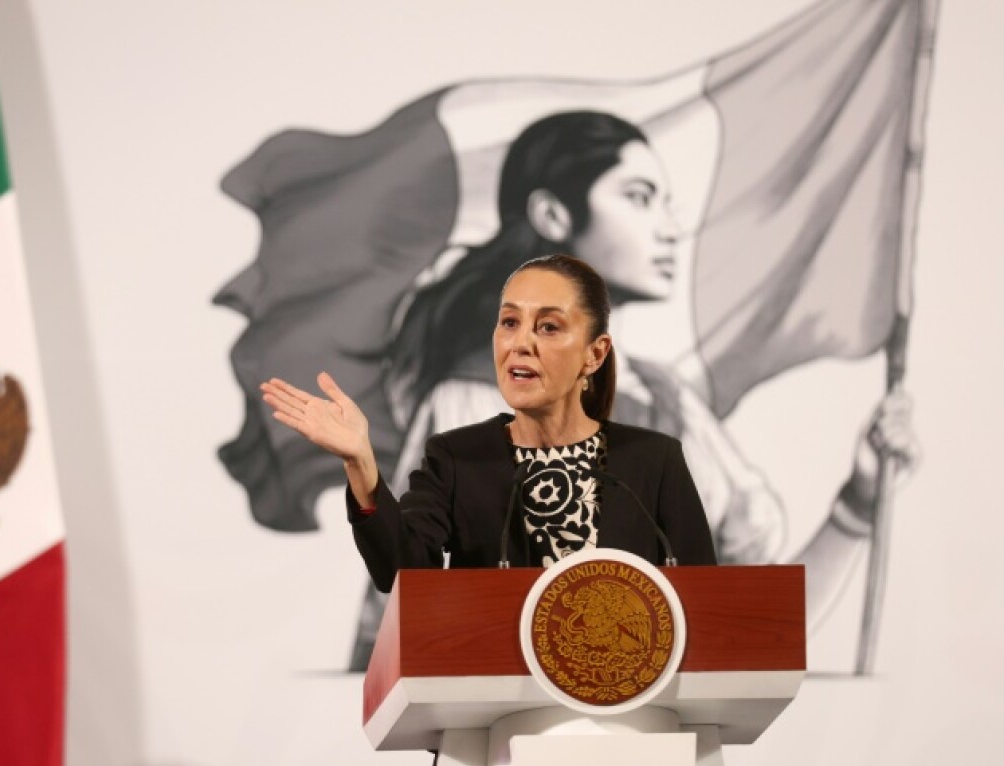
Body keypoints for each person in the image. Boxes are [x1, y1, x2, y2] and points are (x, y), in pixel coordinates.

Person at [338, 110, 918, 667]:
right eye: (639, 197)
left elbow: (751, 631)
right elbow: (405, 630)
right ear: (554, 215)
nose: (669, 228)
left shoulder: (670, 404)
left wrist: (859, 503)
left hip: (660, 729)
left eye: (666, 203)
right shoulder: (471, 405)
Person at [261, 254, 718, 590]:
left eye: (548, 327)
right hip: (498, 694)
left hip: (627, 693)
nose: (520, 344)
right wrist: (361, 463)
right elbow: (403, 573)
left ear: (594, 354)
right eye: (509, 322)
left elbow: (705, 598)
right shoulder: (457, 458)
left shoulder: (654, 461)